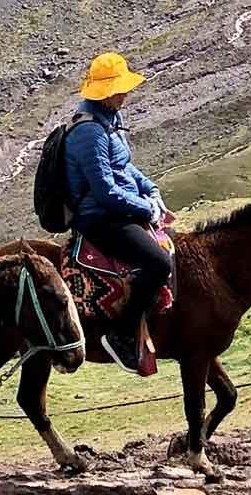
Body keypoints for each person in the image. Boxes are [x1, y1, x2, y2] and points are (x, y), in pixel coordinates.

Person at [64, 51, 173, 372]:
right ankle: (122, 334)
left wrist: (151, 191)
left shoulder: (109, 120)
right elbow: (105, 191)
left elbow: (124, 168)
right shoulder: (88, 133)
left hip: (118, 207)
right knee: (158, 262)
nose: (126, 93)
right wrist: (146, 209)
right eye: (120, 88)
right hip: (99, 217)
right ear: (107, 92)